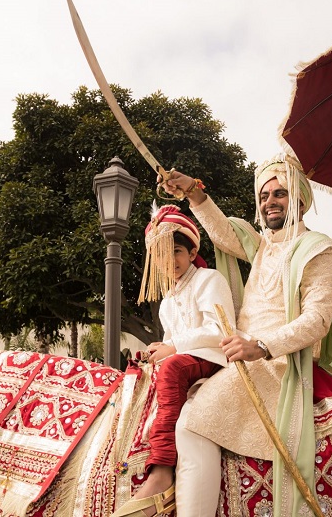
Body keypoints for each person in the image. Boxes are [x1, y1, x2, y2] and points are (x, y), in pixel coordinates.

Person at [160, 153, 332, 517]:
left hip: (280, 363)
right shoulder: (263, 245)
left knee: (191, 423)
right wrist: (191, 191)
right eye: (264, 195)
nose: (270, 201)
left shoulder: (320, 249)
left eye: (280, 194)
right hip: (239, 359)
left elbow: (317, 320)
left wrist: (261, 346)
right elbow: (222, 232)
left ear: (299, 200)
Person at [112, 205, 235, 517]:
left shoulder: (209, 279)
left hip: (213, 357)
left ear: (193, 251)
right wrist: (160, 348)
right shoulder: (167, 301)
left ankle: (163, 469)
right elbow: (170, 340)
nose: (170, 261)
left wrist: (174, 348)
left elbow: (220, 329)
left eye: (176, 251)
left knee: (170, 367)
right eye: (161, 256)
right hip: (183, 361)